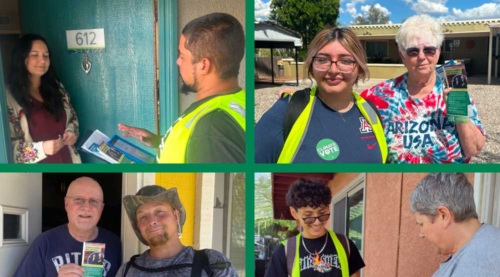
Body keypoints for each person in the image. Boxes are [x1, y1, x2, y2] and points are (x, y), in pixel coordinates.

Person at [365, 173, 500, 277]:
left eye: (421, 224)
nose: (421, 234)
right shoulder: (469, 251)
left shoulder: (476, 262)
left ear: (444, 215)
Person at [101, 185, 245, 277]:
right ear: (139, 227)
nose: (151, 221)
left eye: (159, 211)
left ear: (176, 216)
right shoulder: (127, 271)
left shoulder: (211, 262)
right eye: (143, 216)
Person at [117, 12, 245, 163]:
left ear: (204, 65)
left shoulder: (210, 131)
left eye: (183, 56)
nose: (178, 62)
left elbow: (209, 144)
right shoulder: (238, 100)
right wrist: (160, 141)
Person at [361, 15, 485, 163]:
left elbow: (474, 149)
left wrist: (458, 113)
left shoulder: (453, 87)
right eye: (413, 52)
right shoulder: (379, 96)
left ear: (438, 52)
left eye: (429, 50)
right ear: (402, 56)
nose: (421, 57)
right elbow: (363, 147)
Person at [255, 27, 387, 163]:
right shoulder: (284, 112)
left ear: (359, 68)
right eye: (323, 60)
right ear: (311, 67)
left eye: (346, 61)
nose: (333, 70)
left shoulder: (370, 112)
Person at [12, 176, 122, 277]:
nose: (86, 207)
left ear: (101, 208)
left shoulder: (114, 244)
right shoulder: (45, 242)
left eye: (94, 201)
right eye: (79, 199)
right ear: (66, 204)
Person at [265, 179, 365, 277]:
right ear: (294, 213)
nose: (317, 222)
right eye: (308, 216)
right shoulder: (285, 251)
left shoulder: (345, 244)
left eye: (323, 214)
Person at [6, 33, 81, 163]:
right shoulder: (8, 96)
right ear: (21, 58)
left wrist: (71, 132)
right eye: (35, 55)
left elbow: (73, 118)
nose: (42, 61)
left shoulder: (57, 88)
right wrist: (41, 149)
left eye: (46, 56)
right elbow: (8, 149)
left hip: (68, 163)